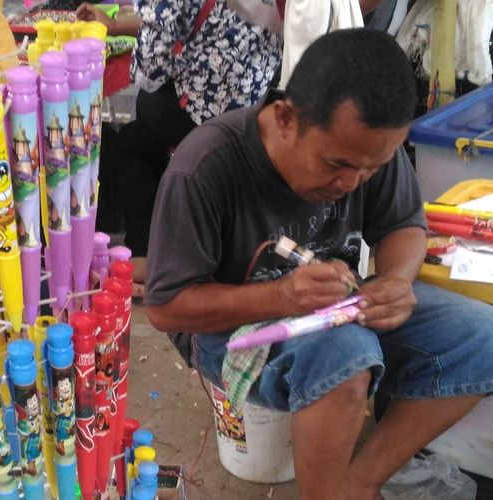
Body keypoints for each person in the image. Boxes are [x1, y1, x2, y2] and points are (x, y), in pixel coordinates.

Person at [144, 28, 493, 499]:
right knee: (345, 358)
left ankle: (358, 483)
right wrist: (282, 295)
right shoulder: (206, 166)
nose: (352, 182)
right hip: (232, 332)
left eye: (369, 169)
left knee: (480, 337)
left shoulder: (366, 148)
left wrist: (394, 281)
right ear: (286, 118)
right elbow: (167, 309)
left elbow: (405, 224)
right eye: (336, 165)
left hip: (340, 309)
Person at [117, 0, 285, 295]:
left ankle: (143, 255)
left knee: (134, 140)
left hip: (204, 113)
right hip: (260, 107)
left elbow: (149, 72)